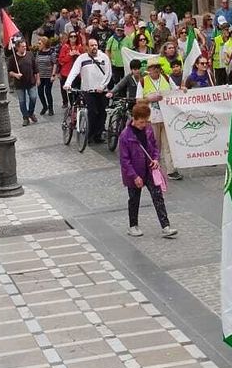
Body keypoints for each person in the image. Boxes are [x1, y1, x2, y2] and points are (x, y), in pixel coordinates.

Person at [118, 101, 177, 238]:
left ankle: (166, 226)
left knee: (158, 197)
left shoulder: (148, 130)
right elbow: (124, 161)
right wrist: (134, 176)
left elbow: (154, 147)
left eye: (146, 122)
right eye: (141, 122)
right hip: (135, 173)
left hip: (149, 170)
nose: (144, 125)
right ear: (134, 119)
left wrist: (156, 159)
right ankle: (133, 226)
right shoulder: (125, 136)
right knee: (134, 199)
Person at [137, 59, 181, 178]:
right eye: (153, 67)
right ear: (149, 70)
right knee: (154, 145)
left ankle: (171, 170)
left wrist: (182, 89)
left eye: (158, 67)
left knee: (168, 145)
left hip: (167, 118)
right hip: (151, 119)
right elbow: (138, 100)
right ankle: (154, 170)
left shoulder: (166, 78)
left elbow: (176, 90)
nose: (156, 70)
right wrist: (149, 99)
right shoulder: (143, 81)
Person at [65, 36, 113, 143]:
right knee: (92, 112)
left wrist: (102, 86)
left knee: (102, 113)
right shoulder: (82, 58)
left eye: (95, 45)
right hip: (88, 91)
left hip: (102, 91)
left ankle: (98, 135)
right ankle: (90, 135)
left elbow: (108, 73)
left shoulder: (104, 58)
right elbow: (74, 71)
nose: (94, 47)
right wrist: (68, 83)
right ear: (87, 47)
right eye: (92, 45)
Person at [9, 38, 38, 125]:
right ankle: (25, 118)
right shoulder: (13, 58)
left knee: (33, 97)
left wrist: (38, 78)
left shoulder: (30, 54)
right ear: (17, 48)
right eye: (22, 47)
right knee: (22, 101)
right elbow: (10, 72)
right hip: (19, 84)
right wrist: (15, 75)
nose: (24, 48)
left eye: (25, 46)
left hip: (31, 81)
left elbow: (35, 68)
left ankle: (31, 112)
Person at [35, 36, 58, 117]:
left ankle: (51, 108)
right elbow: (36, 63)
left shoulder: (51, 52)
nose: (38, 45)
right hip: (40, 75)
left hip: (48, 75)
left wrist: (53, 75)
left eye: (40, 43)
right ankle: (45, 106)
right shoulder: (38, 52)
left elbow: (55, 63)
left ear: (45, 44)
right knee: (40, 92)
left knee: (48, 92)